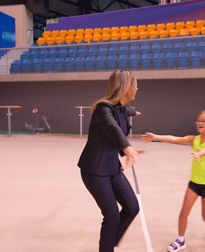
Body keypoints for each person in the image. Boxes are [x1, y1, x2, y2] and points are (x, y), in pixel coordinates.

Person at [77, 69, 144, 252]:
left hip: (112, 168)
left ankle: (108, 242)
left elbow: (125, 111)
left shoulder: (121, 109)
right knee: (112, 217)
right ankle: (106, 247)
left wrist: (133, 112)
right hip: (95, 171)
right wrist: (126, 147)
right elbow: (111, 127)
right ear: (127, 87)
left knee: (132, 206)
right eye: (135, 85)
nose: (137, 88)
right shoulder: (103, 108)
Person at [141, 110, 205, 252]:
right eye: (198, 120)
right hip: (194, 182)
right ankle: (181, 239)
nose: (200, 123)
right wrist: (156, 137)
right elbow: (175, 139)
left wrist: (199, 153)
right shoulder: (194, 139)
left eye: (204, 121)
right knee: (184, 211)